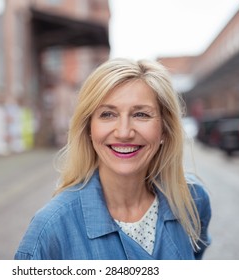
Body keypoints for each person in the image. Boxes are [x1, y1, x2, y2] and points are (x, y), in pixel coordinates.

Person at [14, 58, 211, 260]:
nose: (124, 132)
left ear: (164, 129)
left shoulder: (193, 200)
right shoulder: (51, 229)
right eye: (108, 114)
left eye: (141, 114)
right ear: (89, 128)